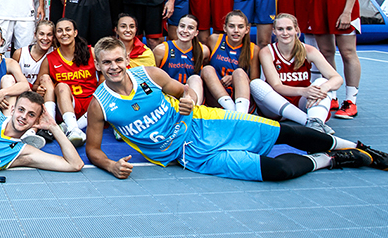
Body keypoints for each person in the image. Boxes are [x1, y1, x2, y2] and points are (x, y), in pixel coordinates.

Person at [85, 37, 387, 181]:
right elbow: (94, 150)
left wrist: (189, 97)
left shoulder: (149, 74)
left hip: (207, 122)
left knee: (285, 132)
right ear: (98, 65)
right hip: (190, 156)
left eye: (118, 60)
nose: (114, 67)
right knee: (277, 170)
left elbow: (184, 91)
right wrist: (110, 165)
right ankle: (333, 161)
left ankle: (365, 150)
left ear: (127, 60)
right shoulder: (100, 105)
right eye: (106, 62)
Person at [251, 14, 341, 134]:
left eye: (289, 28)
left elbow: (337, 78)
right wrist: (304, 91)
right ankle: (310, 122)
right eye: (280, 29)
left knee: (322, 82)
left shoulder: (309, 50)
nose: (285, 33)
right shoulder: (267, 52)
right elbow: (277, 86)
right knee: (255, 84)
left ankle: (316, 121)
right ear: (274, 31)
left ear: (296, 30)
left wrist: (323, 89)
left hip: (302, 103)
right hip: (276, 105)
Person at [38, 18, 97, 147]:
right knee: (62, 86)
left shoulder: (90, 51)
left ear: (75, 33)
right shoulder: (50, 59)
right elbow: (38, 84)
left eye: (68, 29)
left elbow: (104, 75)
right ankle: (72, 129)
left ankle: (67, 128)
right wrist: (40, 89)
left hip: (91, 102)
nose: (64, 33)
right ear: (55, 36)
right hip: (68, 105)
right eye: (59, 31)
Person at [200, 11, 258, 113]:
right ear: (224, 28)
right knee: (207, 69)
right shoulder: (214, 40)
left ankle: (241, 114)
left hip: (239, 94)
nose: (236, 30)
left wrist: (234, 78)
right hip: (216, 96)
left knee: (239, 73)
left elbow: (255, 82)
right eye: (231, 26)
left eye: (240, 27)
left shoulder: (253, 49)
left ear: (247, 30)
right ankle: (230, 108)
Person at [152, 14, 208, 104]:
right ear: (177, 28)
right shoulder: (161, 49)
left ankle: (195, 111)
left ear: (196, 33)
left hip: (191, 97)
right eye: (182, 26)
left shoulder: (203, 50)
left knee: (195, 78)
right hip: (168, 96)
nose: (185, 31)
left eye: (190, 28)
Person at [13, 19, 55, 92]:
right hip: (22, 92)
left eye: (49, 34)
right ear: (35, 35)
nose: (45, 38)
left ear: (53, 37)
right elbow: (12, 78)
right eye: (41, 34)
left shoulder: (54, 54)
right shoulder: (20, 53)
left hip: (45, 94)